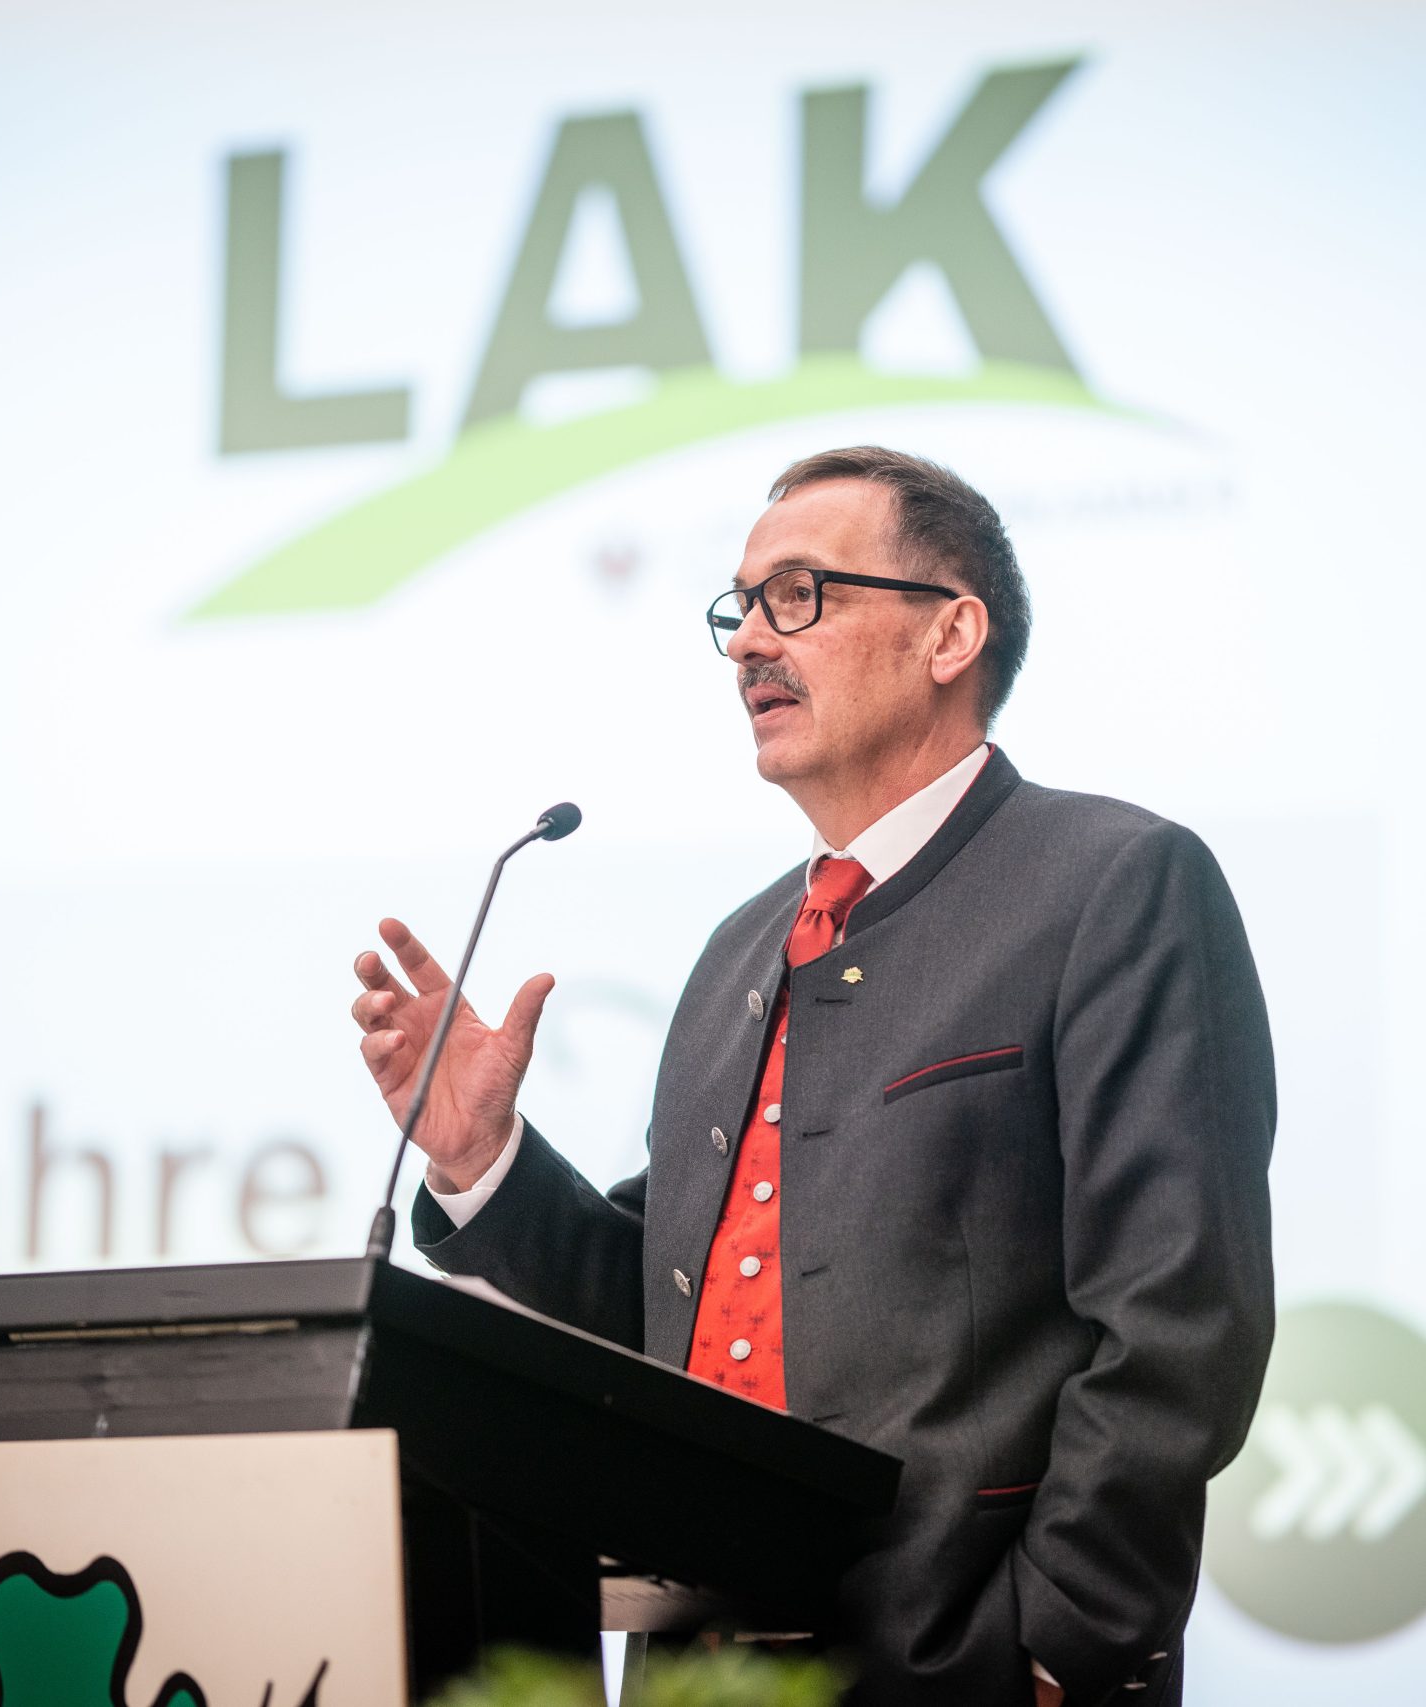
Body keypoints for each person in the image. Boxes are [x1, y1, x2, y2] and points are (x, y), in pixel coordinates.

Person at [349, 446, 1275, 1706]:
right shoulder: (741, 949)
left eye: (798, 595)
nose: (746, 643)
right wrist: (481, 1158)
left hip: (966, 1670)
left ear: (950, 633)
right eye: (739, 607)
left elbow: (1178, 1322)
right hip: (705, 1673)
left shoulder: (1112, 885)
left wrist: (1055, 1648)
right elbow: (672, 1319)